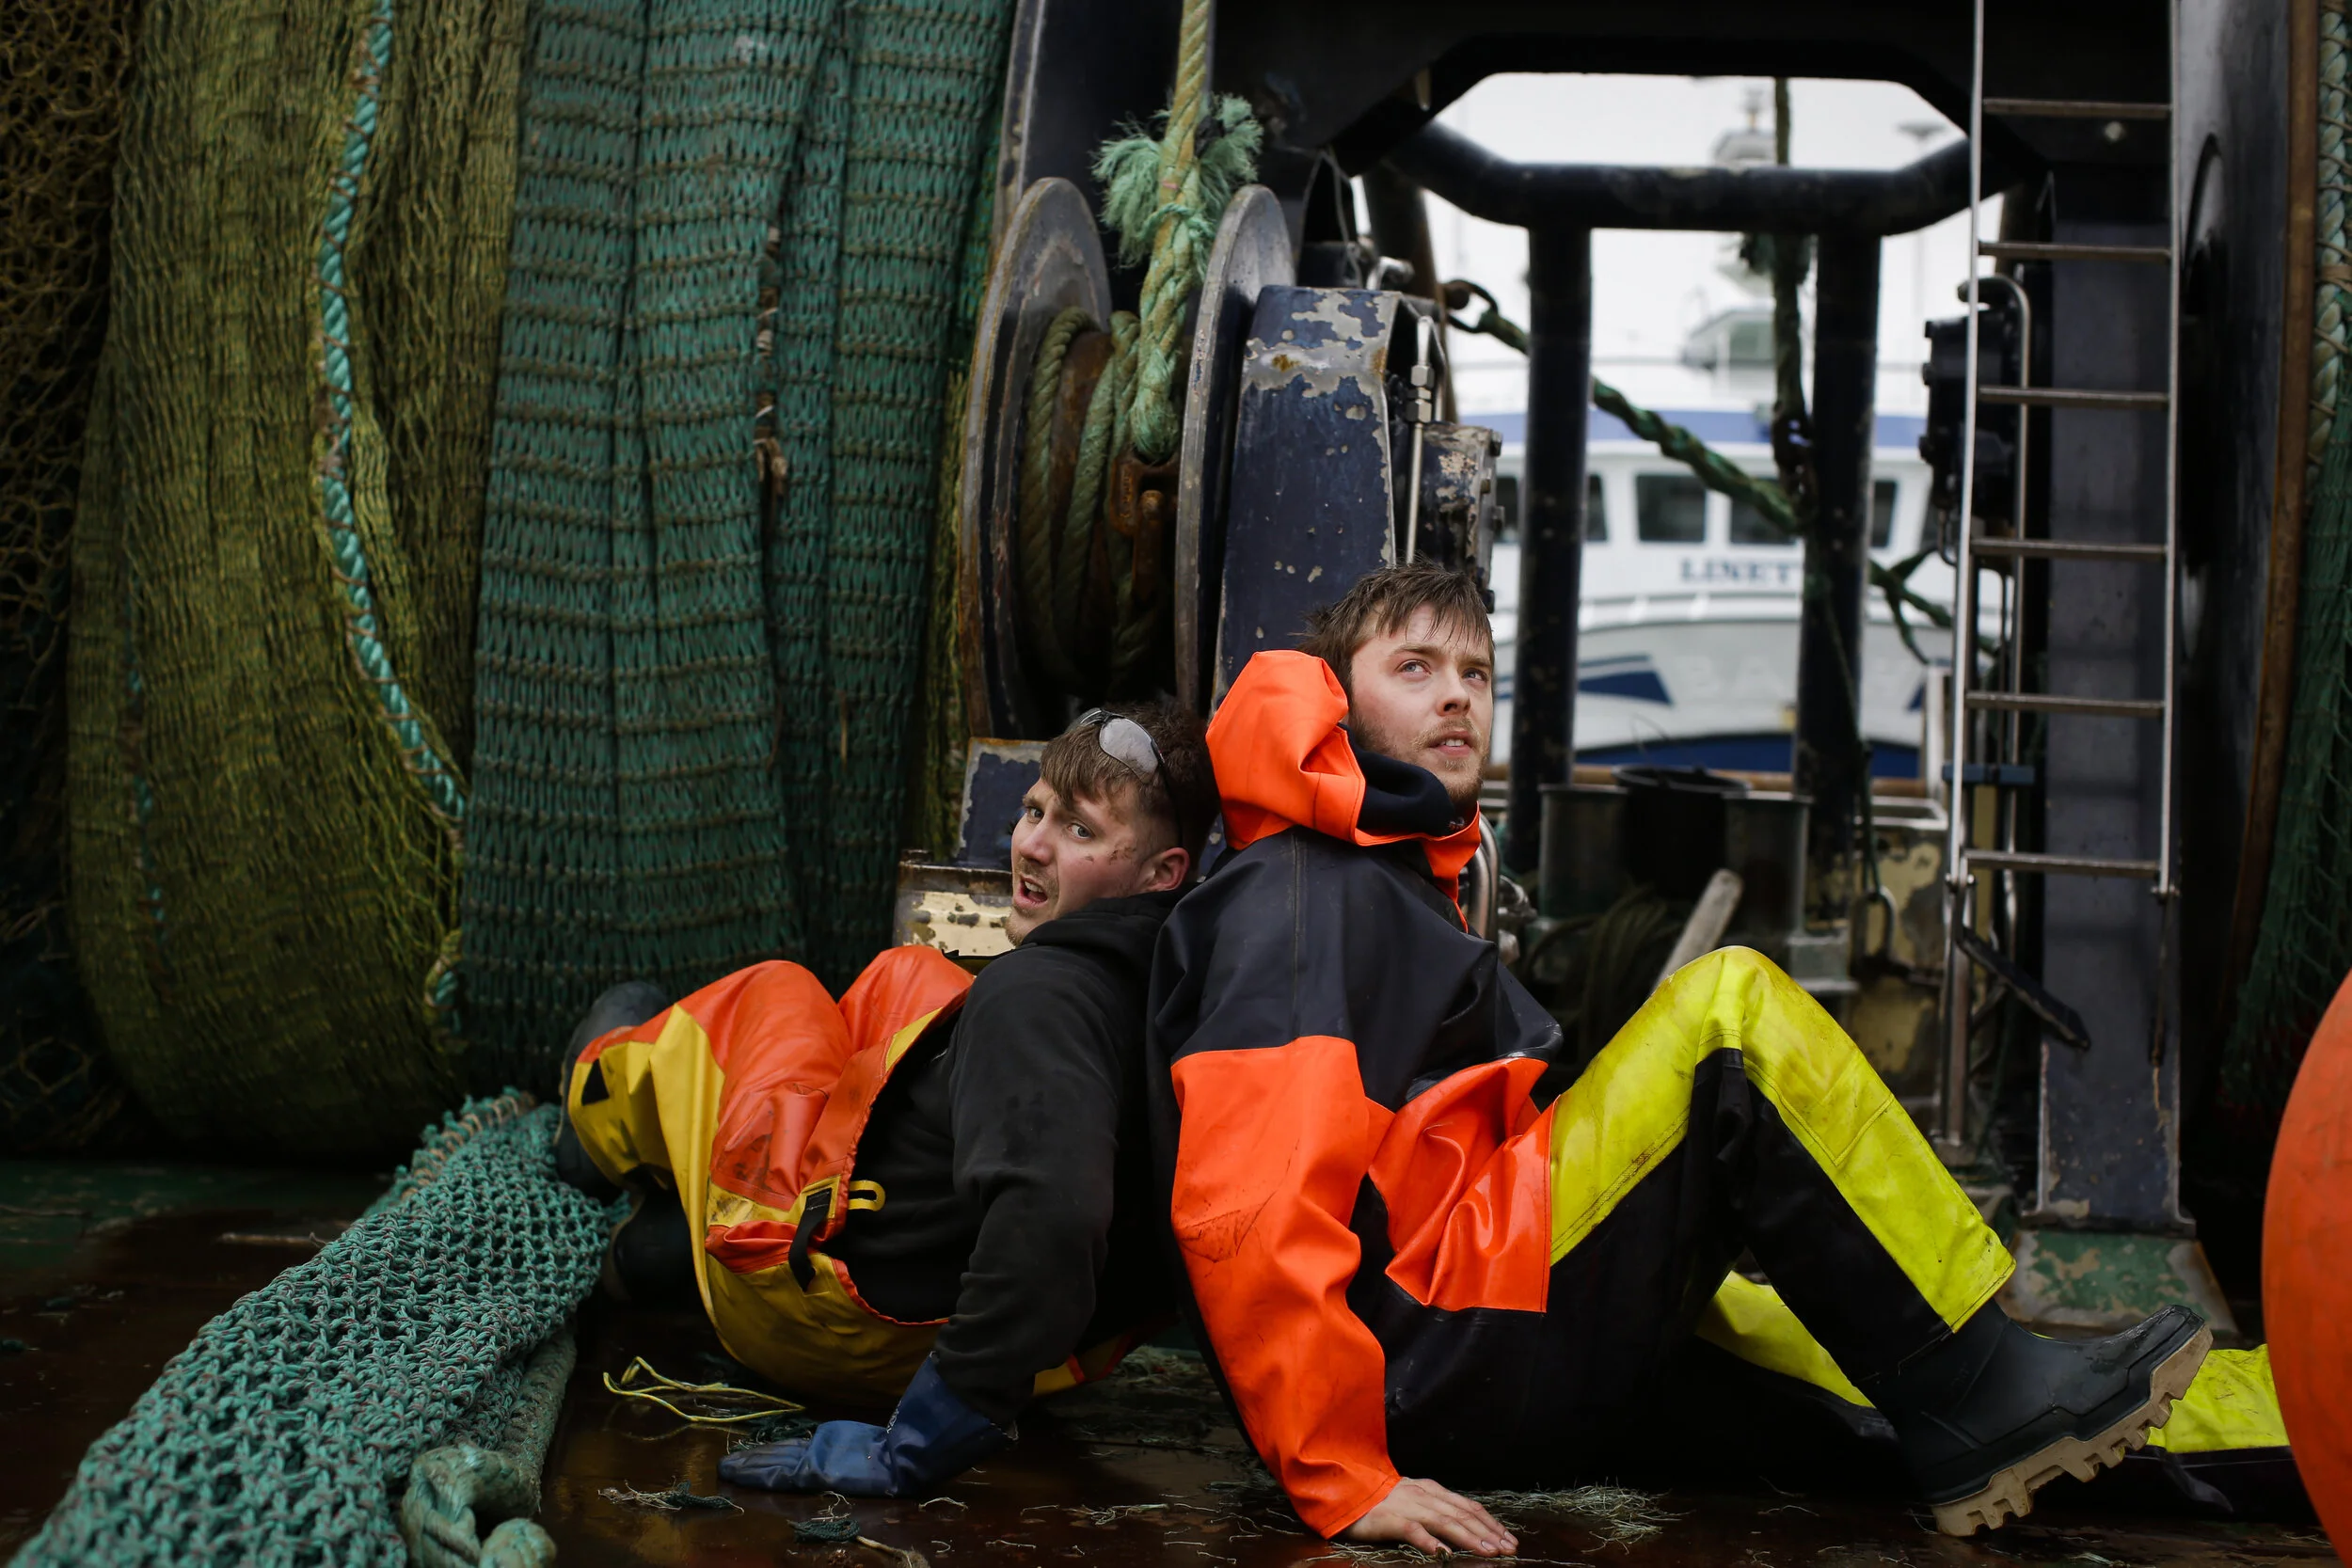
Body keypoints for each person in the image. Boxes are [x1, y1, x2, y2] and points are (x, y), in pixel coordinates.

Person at [1145, 562, 2216, 1550]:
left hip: (1453, 1322)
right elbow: (1251, 1201)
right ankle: (1981, 1390)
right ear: (1337, 703)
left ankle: (2111, 1414)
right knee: (1729, 1016)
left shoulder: (1380, 877)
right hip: (1433, 1355)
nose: (1458, 696)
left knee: (1801, 1365)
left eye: (1475, 670)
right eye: (1414, 668)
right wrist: (1343, 1472)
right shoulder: (1299, 894)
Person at [555, 701, 1218, 1497]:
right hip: (1038, 1357)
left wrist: (921, 1441)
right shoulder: (1198, 1000)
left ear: (1163, 871)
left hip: (835, 1319)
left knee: (775, 995)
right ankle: (662, 1249)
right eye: (1034, 809)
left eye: (1078, 830)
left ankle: (591, 1121)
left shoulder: (1038, 999)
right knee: (910, 979)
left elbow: (1055, 1218)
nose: (1030, 845)